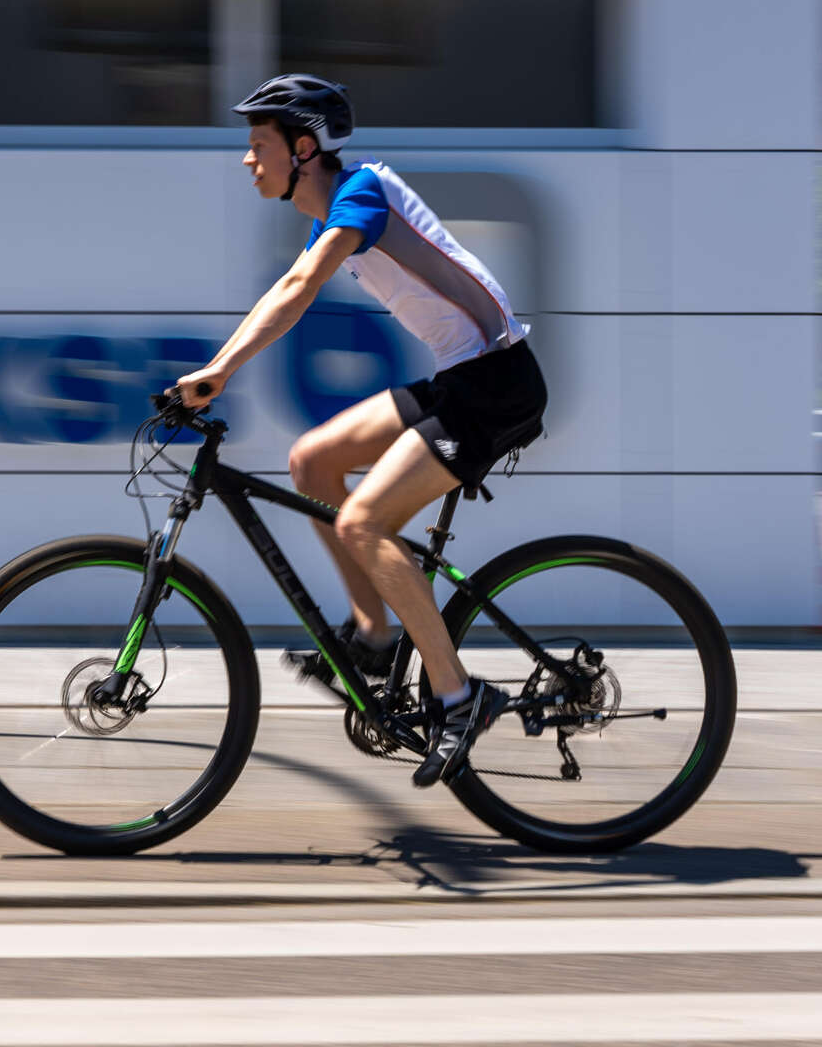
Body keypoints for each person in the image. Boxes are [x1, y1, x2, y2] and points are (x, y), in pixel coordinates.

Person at [175, 74, 548, 788]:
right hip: (459, 379)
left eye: (259, 145)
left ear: (303, 147)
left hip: (496, 385)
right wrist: (217, 367)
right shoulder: (331, 218)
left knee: (362, 525)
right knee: (312, 460)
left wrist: (216, 371)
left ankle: (458, 697)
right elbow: (284, 289)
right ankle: (374, 636)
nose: (247, 160)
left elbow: (296, 290)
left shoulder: (362, 194)